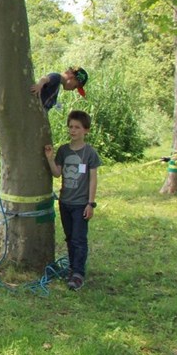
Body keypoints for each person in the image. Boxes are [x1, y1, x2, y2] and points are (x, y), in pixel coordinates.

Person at [44, 110, 101, 291]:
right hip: (65, 202)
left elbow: (93, 180)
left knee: (79, 239)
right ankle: (72, 268)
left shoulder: (89, 153)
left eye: (77, 127)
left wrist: (90, 203)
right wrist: (50, 159)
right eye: (71, 127)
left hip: (81, 204)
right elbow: (57, 173)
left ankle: (78, 274)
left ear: (86, 130)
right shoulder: (64, 150)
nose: (73, 130)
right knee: (69, 238)